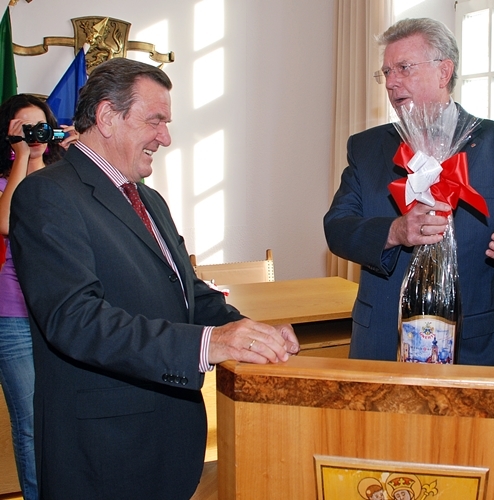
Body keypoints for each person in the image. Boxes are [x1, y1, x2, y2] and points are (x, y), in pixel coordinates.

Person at [9, 58, 300, 499]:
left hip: (166, 441)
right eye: (155, 120)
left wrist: (250, 332)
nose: (165, 137)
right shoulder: (47, 193)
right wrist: (210, 344)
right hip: (105, 452)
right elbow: (75, 319)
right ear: (107, 117)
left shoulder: (149, 198)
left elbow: (188, 292)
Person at [324, 18, 494, 366]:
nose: (392, 82)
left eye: (404, 68)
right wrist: (394, 231)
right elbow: (337, 228)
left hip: (469, 349)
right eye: (386, 72)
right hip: (380, 344)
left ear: (444, 72)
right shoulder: (367, 148)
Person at [0, 94, 77, 500]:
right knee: (29, 421)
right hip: (12, 316)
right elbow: (9, 221)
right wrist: (20, 159)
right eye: (23, 129)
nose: (33, 136)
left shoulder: (61, 178)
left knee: (61, 417)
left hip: (56, 315)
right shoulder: (5, 180)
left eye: (39, 127)